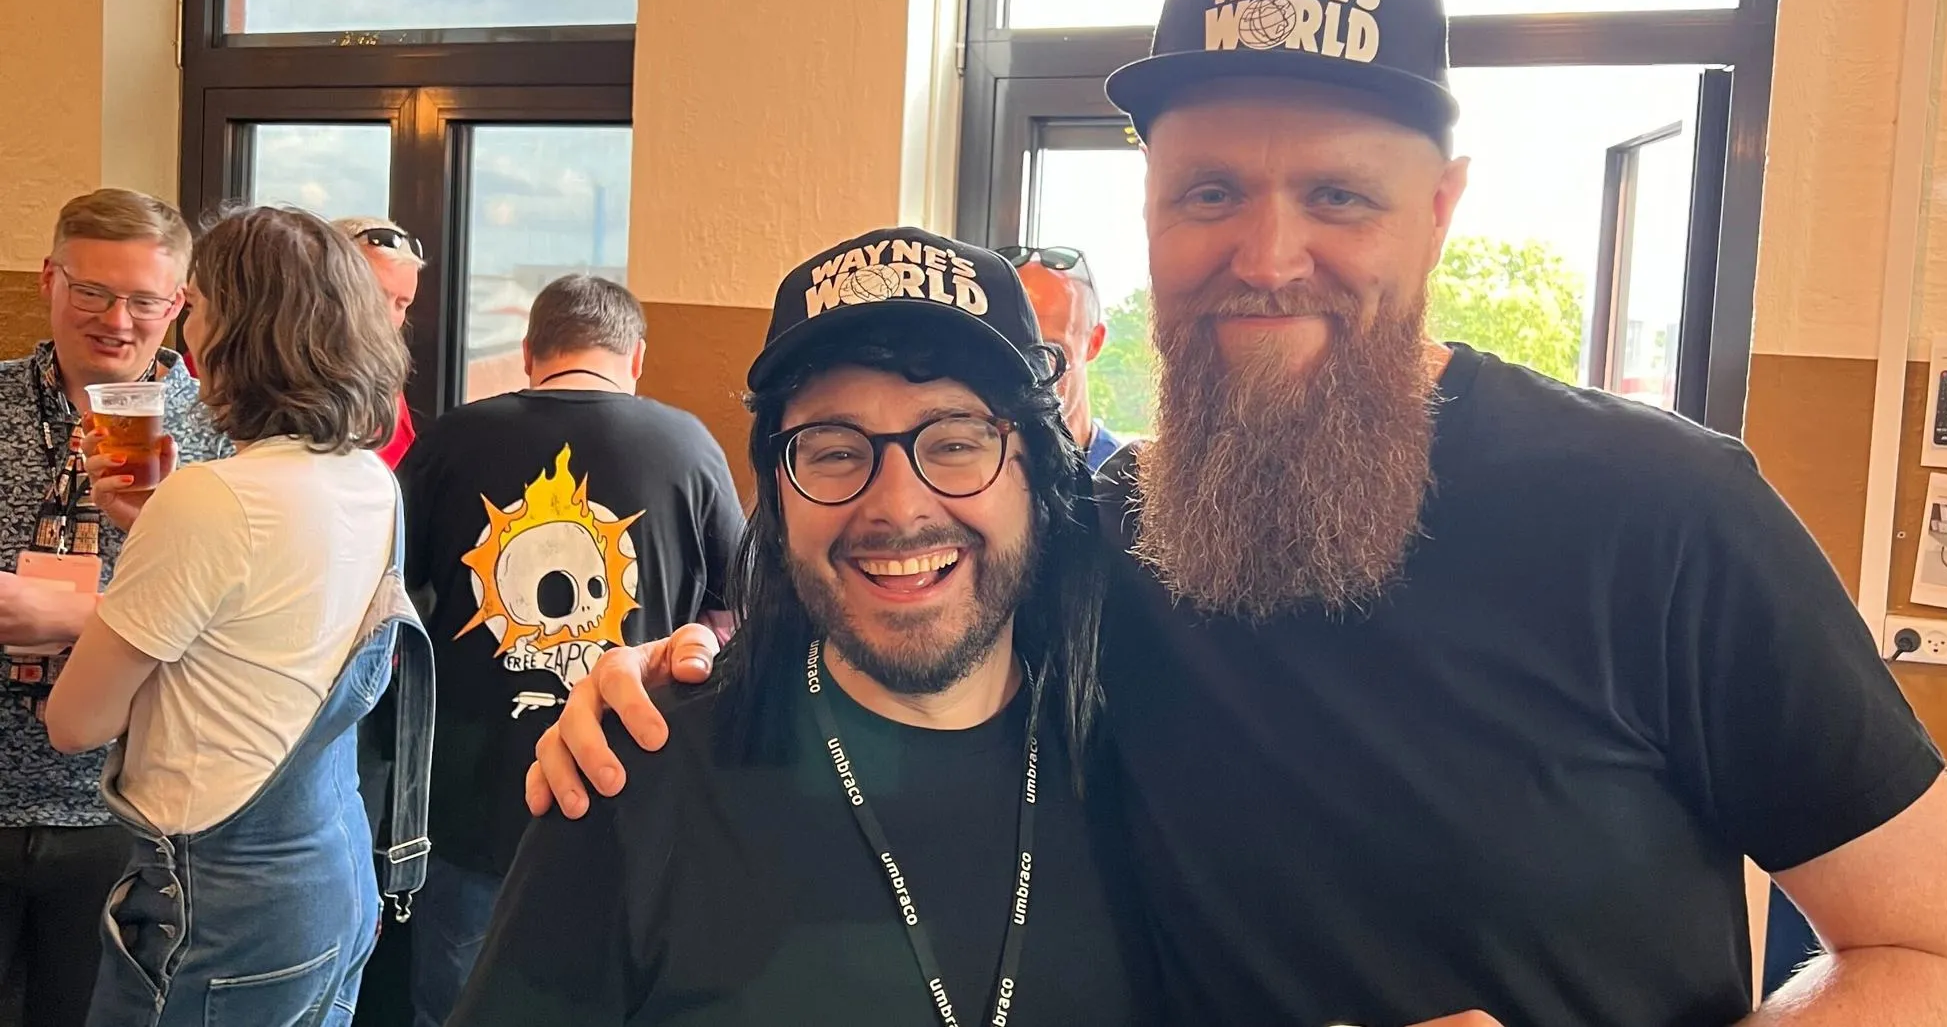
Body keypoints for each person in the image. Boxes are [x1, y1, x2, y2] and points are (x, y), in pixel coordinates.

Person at [534, 0, 1947, 1027]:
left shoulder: (1667, 515)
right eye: (1213, 193)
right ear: (1154, 212)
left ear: (1439, 211)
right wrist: (673, 672)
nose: (1269, 253)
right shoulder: (1100, 535)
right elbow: (889, 596)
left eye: (1339, 195)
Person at [449, 228, 1142, 1026]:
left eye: (956, 441)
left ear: (1038, 473)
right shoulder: (631, 780)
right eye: (834, 450)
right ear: (777, 500)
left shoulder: (1142, 772)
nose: (897, 506)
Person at [43, 205, 422, 1026]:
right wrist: (153, 530)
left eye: (197, 305)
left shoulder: (211, 497)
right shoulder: (368, 478)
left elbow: (76, 721)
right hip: (332, 866)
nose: (186, 332)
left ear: (236, 332)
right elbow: (263, 630)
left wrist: (87, 598)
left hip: (220, 896)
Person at [394, 273, 746, 1026]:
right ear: (637, 357)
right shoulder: (688, 444)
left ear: (528, 354)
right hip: (633, 793)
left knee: (457, 1006)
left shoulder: (451, 439)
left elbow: (386, 592)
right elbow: (741, 608)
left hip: (471, 802)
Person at [0, 189, 232, 1027]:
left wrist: (79, 617)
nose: (118, 321)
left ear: (178, 305)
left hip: (130, 814)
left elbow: (237, 632)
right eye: (93, 291)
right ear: (48, 280)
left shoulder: (219, 438)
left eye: (144, 300)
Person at [1003, 247, 1125, 470]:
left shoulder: (1128, 489)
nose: (1029, 370)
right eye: (1011, 348)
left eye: (1051, 350)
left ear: (1093, 343)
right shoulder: (980, 476)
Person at [333, 216, 426, 468]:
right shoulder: (289, 378)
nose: (386, 317)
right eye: (376, 295)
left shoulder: (385, 377)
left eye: (401, 304)